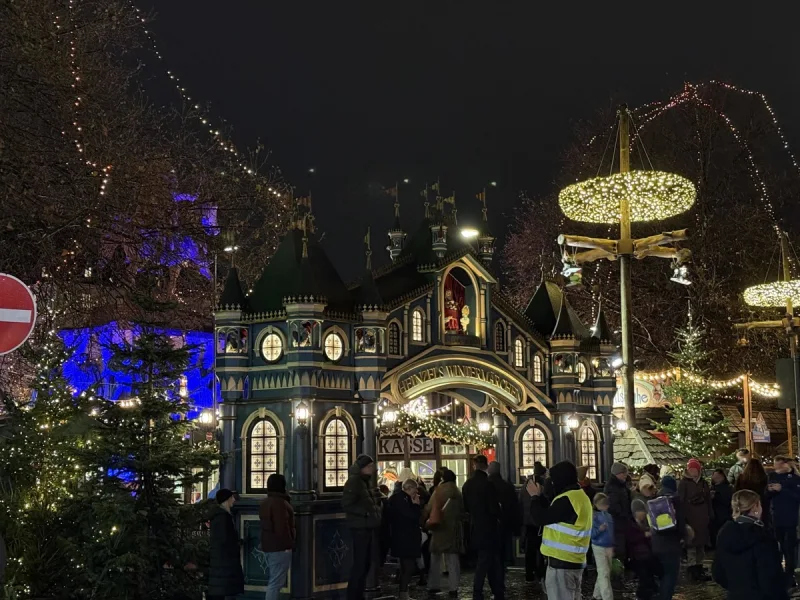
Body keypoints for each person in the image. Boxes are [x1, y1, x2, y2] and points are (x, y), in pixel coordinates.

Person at [526, 461, 592, 600]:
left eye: (553, 479)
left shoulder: (566, 499)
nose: (551, 483)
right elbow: (554, 514)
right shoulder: (579, 496)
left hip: (562, 565)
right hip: (574, 561)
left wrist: (534, 497)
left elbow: (540, 518)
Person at [712, 489, 789, 600]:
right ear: (755, 507)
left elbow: (718, 572)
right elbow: (770, 579)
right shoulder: (763, 538)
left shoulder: (725, 534)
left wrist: (737, 588)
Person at [462, 454, 504, 600]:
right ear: (485, 465)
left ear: (474, 465)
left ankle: (496, 591)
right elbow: (494, 509)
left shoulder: (467, 485)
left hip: (476, 527)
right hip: (490, 528)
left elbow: (466, 508)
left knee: (489, 561)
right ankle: (478, 592)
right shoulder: (488, 484)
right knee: (487, 561)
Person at [342, 454, 382, 600]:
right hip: (360, 528)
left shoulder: (364, 482)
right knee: (360, 564)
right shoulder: (355, 482)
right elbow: (347, 503)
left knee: (364, 563)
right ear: (363, 468)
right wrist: (365, 513)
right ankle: (354, 596)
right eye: (370, 466)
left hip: (366, 527)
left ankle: (357, 595)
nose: (373, 469)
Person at [423, 468, 465, 598]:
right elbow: (461, 511)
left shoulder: (439, 490)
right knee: (452, 559)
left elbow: (430, 507)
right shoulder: (457, 492)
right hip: (453, 529)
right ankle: (453, 587)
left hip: (439, 528)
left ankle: (434, 584)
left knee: (435, 558)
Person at [258, 473, 295, 600]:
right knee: (276, 583)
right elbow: (281, 528)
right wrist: (289, 544)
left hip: (269, 545)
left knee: (274, 580)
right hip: (280, 547)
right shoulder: (279, 503)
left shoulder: (265, 502)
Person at [651, 476, 686, 600]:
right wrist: (683, 537)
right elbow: (681, 524)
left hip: (656, 544)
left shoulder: (654, 499)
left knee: (661, 574)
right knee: (670, 576)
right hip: (671, 545)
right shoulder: (675, 501)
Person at [767, 455, 800, 589]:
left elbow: (797, 496)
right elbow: (766, 495)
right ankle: (777, 573)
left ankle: (789, 575)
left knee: (789, 548)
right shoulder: (772, 477)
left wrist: (782, 490)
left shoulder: (795, 479)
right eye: (776, 465)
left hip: (791, 519)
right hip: (776, 518)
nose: (778, 467)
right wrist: (770, 491)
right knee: (776, 547)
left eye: (780, 464)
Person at [388, 479, 423, 600]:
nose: (416, 492)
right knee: (408, 566)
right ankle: (403, 593)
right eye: (415, 489)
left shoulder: (395, 498)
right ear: (409, 488)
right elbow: (413, 516)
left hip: (400, 537)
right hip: (407, 538)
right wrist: (416, 506)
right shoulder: (404, 500)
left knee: (405, 566)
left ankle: (403, 592)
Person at [678, 458, 712, 581]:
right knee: (691, 544)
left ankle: (699, 567)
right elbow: (680, 501)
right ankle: (692, 569)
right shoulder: (684, 483)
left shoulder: (703, 483)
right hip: (690, 517)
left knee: (701, 545)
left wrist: (710, 514)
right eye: (691, 469)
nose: (693, 472)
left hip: (702, 518)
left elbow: (708, 500)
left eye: (695, 469)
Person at [207, 489, 244, 600]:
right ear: (226, 500)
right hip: (223, 558)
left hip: (219, 557)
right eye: (231, 497)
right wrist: (236, 545)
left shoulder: (219, 515)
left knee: (219, 588)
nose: (233, 500)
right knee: (221, 589)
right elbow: (225, 538)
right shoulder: (224, 517)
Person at [519, 464, 548, 584]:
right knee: (541, 550)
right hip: (538, 522)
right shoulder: (542, 485)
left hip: (528, 523)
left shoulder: (526, 485)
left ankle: (529, 574)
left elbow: (521, 502)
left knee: (529, 551)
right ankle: (540, 573)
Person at [487, 460, 520, 566]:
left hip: (490, 521)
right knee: (506, 543)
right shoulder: (507, 486)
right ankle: (507, 560)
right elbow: (514, 505)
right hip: (506, 520)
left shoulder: (486, 485)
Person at [630, 494, 658, 599]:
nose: (645, 514)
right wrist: (644, 535)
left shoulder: (642, 523)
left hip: (644, 554)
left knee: (647, 576)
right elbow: (631, 539)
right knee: (644, 577)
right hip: (638, 556)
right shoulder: (632, 525)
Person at [603, 462, 632, 562]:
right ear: (618, 473)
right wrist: (624, 514)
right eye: (624, 473)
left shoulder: (620, 486)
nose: (625, 475)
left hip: (621, 522)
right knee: (619, 547)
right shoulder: (613, 487)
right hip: (617, 522)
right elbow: (613, 506)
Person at [590, 493, 614, 600]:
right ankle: (607, 597)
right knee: (604, 572)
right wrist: (599, 530)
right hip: (599, 546)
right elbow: (590, 534)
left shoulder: (606, 515)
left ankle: (597, 595)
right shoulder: (594, 517)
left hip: (606, 546)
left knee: (604, 572)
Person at [735, 458, 771, 527]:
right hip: (760, 502)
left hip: (745, 501)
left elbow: (737, 491)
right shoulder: (764, 477)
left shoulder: (742, 477)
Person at [710, 468, 733, 548]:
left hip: (724, 515)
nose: (716, 478)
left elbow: (727, 500)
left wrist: (716, 496)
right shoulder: (712, 488)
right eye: (715, 476)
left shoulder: (728, 488)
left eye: (718, 476)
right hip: (714, 515)